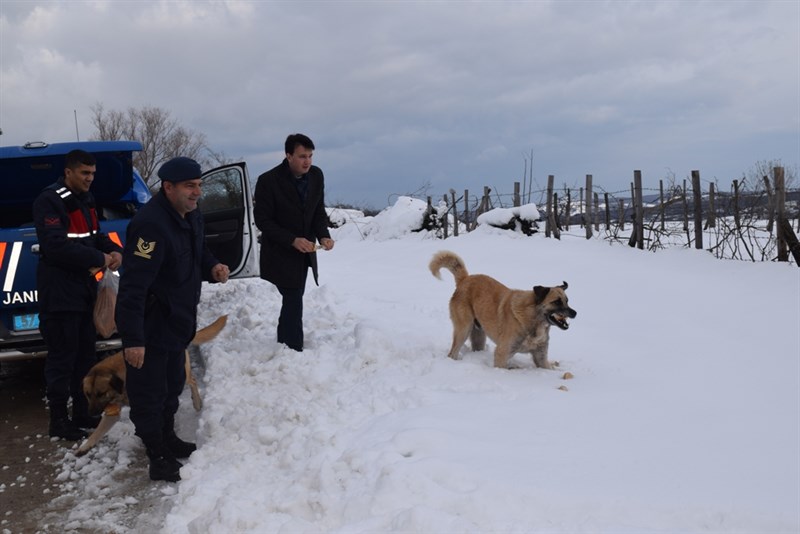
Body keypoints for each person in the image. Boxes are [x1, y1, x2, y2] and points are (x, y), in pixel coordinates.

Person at [115, 157, 229, 482]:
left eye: (199, 186)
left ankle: (168, 439)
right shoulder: (150, 226)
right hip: (152, 327)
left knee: (171, 389)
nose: (197, 193)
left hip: (178, 321)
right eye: (190, 187)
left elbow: (198, 251)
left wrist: (212, 267)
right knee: (149, 396)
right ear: (169, 187)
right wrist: (134, 340)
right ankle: (157, 456)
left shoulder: (191, 216)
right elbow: (133, 288)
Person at [33, 149, 123, 441]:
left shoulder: (86, 199)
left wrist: (114, 250)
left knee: (85, 354)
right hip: (59, 292)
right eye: (84, 174)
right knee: (62, 358)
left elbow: (93, 235)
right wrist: (98, 256)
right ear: (69, 172)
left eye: (92, 174)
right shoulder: (50, 200)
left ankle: (83, 413)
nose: (89, 179)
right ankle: (58, 420)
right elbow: (55, 245)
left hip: (83, 291)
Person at [254, 133, 334, 352]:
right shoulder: (268, 181)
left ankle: (285, 344)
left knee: (293, 297)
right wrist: (291, 240)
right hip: (280, 251)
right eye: (302, 156)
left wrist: (323, 235)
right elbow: (262, 220)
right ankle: (292, 348)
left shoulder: (316, 176)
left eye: (310, 156)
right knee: (293, 297)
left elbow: (317, 211)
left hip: (305, 252)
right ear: (288, 156)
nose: (307, 161)